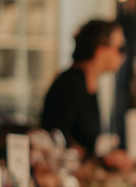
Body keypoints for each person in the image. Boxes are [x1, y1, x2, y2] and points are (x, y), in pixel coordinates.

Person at [41, 19, 126, 156]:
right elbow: (56, 140)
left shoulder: (88, 82)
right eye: (120, 48)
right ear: (101, 50)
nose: (123, 56)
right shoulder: (70, 85)